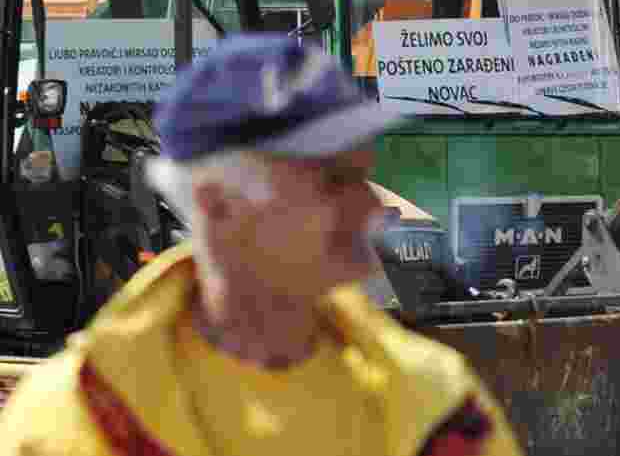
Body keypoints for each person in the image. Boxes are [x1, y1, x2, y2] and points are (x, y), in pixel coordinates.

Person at [0, 35, 525, 456]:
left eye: (363, 178)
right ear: (217, 202)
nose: (370, 210)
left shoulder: (439, 403)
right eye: (332, 182)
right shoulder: (77, 421)